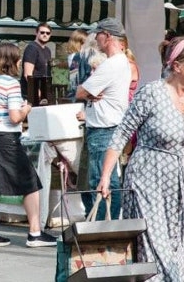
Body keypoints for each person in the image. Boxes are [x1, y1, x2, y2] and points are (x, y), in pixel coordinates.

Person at [97, 35, 184, 281]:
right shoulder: (152, 93)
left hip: (180, 180)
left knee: (178, 243)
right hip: (148, 177)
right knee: (154, 245)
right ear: (177, 66)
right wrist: (106, 176)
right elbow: (122, 133)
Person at [0, 42, 56, 249]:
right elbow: (15, 117)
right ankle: (34, 232)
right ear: (12, 61)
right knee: (31, 183)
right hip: (6, 138)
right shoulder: (11, 84)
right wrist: (27, 108)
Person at [76, 17, 131, 219]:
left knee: (102, 181)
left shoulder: (111, 64)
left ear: (107, 36)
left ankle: (103, 229)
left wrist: (87, 91)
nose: (95, 39)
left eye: (98, 34)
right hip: (107, 126)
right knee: (104, 180)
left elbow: (80, 92)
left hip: (103, 129)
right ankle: (106, 226)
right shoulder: (120, 62)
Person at [22, 22, 53, 103]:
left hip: (44, 91)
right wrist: (37, 91)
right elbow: (27, 74)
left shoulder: (47, 50)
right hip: (32, 94)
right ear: (36, 33)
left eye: (48, 33)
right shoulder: (32, 48)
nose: (45, 34)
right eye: (42, 32)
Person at [65, 29, 89, 99]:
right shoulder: (76, 56)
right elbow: (74, 77)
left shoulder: (72, 55)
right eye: (84, 43)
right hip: (79, 90)